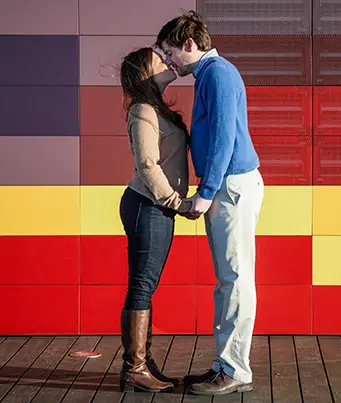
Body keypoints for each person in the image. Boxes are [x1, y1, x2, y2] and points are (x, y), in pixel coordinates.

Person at [156, 10, 265, 396]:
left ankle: (235, 369)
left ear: (189, 44)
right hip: (229, 185)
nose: (167, 61)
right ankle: (225, 364)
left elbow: (222, 141)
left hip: (229, 187)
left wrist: (205, 193)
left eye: (170, 53)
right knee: (228, 280)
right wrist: (169, 72)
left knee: (235, 280)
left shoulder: (216, 74)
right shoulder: (211, 72)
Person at [117, 47, 193, 393]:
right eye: (157, 59)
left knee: (146, 284)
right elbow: (148, 165)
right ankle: (134, 368)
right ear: (143, 73)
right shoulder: (142, 109)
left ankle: (142, 362)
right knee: (143, 285)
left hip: (157, 206)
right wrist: (176, 202)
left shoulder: (156, 108)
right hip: (149, 205)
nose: (165, 61)